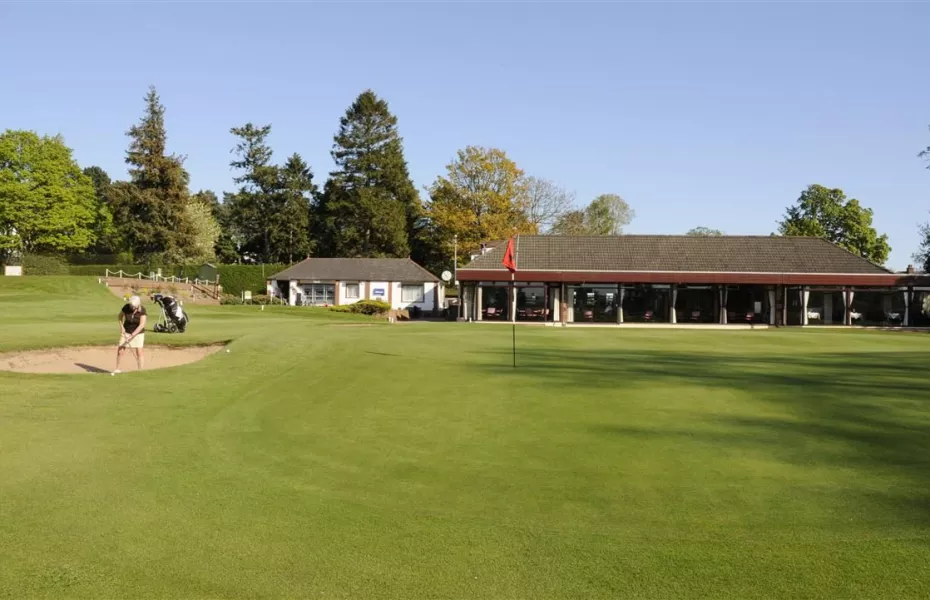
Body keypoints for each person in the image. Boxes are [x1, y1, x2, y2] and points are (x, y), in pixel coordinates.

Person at [115, 295, 147, 374]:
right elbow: (119, 317)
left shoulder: (142, 310)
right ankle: (117, 369)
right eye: (130, 305)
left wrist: (132, 335)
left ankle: (140, 371)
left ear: (137, 306)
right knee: (120, 350)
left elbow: (142, 325)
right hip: (126, 331)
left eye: (133, 306)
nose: (131, 307)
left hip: (138, 333)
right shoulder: (126, 307)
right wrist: (122, 327)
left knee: (139, 351)